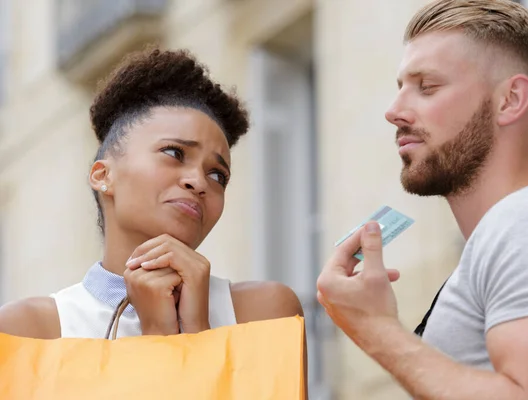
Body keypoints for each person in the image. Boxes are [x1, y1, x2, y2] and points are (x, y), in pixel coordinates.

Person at [316, 0, 528, 399]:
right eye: (400, 89)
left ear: (510, 100)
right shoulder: (507, 234)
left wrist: (377, 329)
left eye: (427, 86)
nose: (394, 111)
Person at [0, 48, 304, 341]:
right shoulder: (29, 331)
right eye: (174, 152)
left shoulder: (265, 313)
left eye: (217, 175)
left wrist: (195, 330)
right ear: (103, 175)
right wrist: (158, 333)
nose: (199, 182)